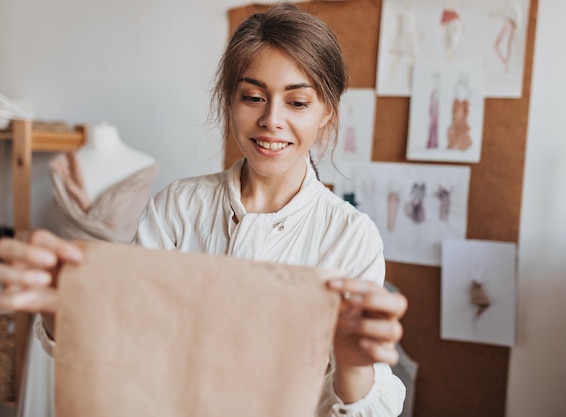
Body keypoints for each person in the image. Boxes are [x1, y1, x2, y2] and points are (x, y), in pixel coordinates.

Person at [0, 3, 408, 416]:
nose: (271, 119)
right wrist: (62, 308)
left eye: (297, 103)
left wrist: (354, 365)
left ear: (328, 113)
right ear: (229, 101)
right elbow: (121, 346)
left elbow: (369, 407)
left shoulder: (350, 236)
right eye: (253, 97)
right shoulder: (178, 207)